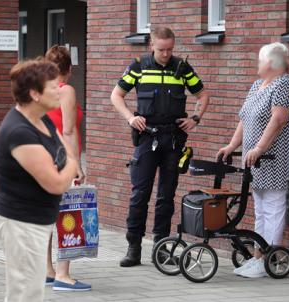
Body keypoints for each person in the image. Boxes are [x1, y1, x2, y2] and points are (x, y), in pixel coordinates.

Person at [111, 27, 209, 267]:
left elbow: (203, 95)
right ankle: (133, 248)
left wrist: (195, 119)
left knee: (166, 197)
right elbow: (116, 95)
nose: (166, 54)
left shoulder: (182, 68)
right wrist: (130, 118)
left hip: (173, 140)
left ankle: (161, 248)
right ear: (151, 46)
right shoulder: (139, 67)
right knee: (139, 195)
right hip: (147, 138)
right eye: (161, 49)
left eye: (170, 49)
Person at [0, 59, 78, 302]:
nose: (59, 90)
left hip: (35, 221)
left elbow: (64, 152)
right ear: (34, 93)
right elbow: (58, 183)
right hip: (21, 224)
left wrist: (68, 163)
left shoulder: (42, 119)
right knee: (25, 294)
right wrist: (73, 165)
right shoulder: (19, 132)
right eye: (53, 87)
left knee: (30, 291)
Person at [217, 42, 289, 278]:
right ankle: (258, 257)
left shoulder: (284, 84)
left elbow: (279, 119)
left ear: (270, 63)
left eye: (260, 60)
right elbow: (245, 119)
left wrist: (260, 147)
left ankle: (268, 260)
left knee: (273, 208)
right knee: (260, 209)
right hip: (257, 162)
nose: (258, 64)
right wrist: (233, 145)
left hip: (275, 159)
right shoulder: (257, 85)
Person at [44, 45, 91, 291]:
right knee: (67, 215)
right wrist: (76, 164)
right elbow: (69, 130)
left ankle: (47, 270)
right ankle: (63, 275)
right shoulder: (66, 91)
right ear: (68, 70)